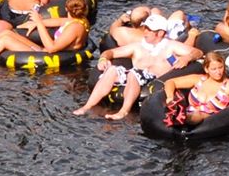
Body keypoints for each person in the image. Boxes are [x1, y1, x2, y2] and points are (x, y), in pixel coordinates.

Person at [73, 13, 203, 120]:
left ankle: (124, 111)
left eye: (149, 30)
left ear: (160, 33)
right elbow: (111, 52)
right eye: (145, 28)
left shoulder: (170, 46)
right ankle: (88, 105)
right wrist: (103, 59)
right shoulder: (138, 46)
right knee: (113, 70)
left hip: (152, 79)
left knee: (134, 74)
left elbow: (198, 52)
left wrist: (187, 57)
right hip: (135, 75)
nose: (145, 31)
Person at [108, 6, 199, 46]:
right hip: (172, 37)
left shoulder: (122, 33)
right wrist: (192, 35)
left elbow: (112, 29)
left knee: (156, 10)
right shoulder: (158, 39)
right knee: (179, 14)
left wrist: (120, 20)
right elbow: (180, 47)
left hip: (136, 31)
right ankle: (189, 27)